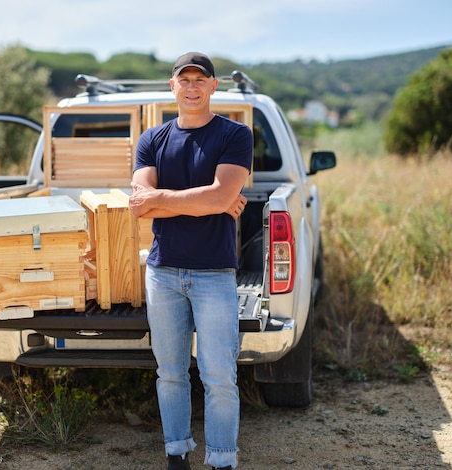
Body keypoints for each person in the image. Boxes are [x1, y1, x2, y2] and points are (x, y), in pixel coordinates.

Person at [129, 52, 253, 470]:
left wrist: (170, 200)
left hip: (214, 273)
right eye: (185, 79)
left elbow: (219, 196)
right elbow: (139, 207)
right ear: (173, 86)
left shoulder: (234, 136)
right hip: (162, 273)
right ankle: (176, 455)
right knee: (171, 374)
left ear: (213, 86)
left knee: (219, 377)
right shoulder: (153, 140)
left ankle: (221, 460)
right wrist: (209, 201)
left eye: (201, 79)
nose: (193, 86)